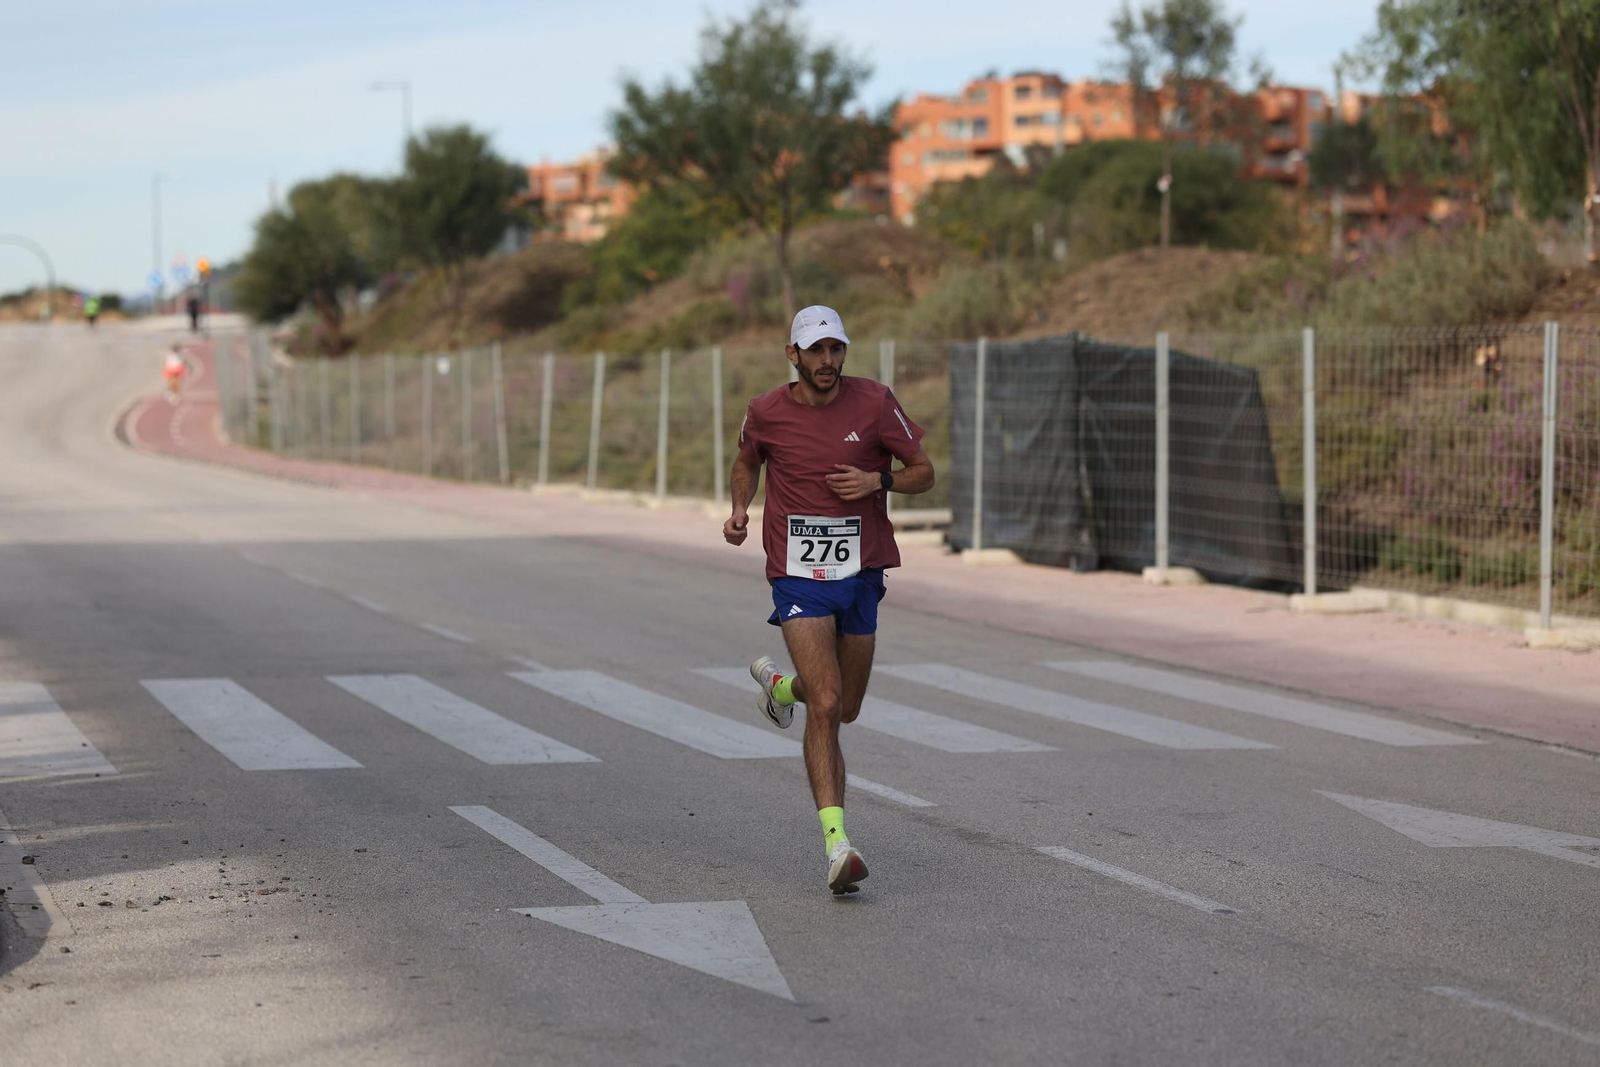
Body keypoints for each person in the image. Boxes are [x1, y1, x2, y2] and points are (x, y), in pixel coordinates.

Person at [723, 305, 935, 895]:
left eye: (835, 349)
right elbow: (746, 462)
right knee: (827, 704)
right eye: (815, 351)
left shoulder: (874, 402)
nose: (827, 361)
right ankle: (837, 843)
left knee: (845, 706)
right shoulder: (765, 410)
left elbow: (924, 471)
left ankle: (778, 688)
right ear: (793, 355)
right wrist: (741, 508)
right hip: (796, 573)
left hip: (861, 570)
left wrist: (880, 480)